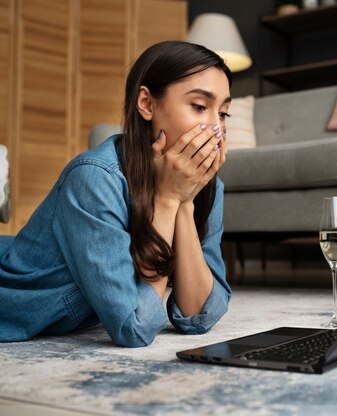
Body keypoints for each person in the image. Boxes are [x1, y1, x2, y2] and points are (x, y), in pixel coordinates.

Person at [0, 41, 232, 347]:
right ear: (147, 104)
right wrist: (167, 199)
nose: (215, 127)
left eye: (224, 113)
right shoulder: (94, 177)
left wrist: (185, 203)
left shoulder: (206, 184)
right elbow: (134, 326)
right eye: (200, 107)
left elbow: (200, 314)